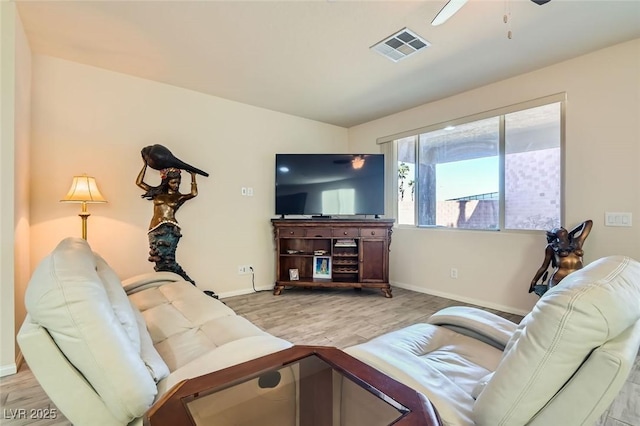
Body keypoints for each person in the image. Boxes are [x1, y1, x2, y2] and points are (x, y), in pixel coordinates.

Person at [136, 161, 198, 284]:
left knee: (168, 261)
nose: (176, 185)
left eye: (178, 183)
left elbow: (194, 193)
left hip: (170, 230)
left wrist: (193, 176)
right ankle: (180, 285)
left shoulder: (178, 197)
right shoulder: (157, 193)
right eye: (173, 182)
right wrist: (145, 165)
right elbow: (139, 183)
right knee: (160, 262)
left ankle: (186, 284)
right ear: (166, 181)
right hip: (154, 229)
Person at [529, 219, 593, 296]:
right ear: (554, 235)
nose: (560, 229)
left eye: (562, 228)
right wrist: (534, 281)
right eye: (557, 229)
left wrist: (571, 233)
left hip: (577, 277)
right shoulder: (551, 247)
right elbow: (544, 267)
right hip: (558, 279)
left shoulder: (577, 242)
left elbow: (588, 223)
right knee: (552, 298)